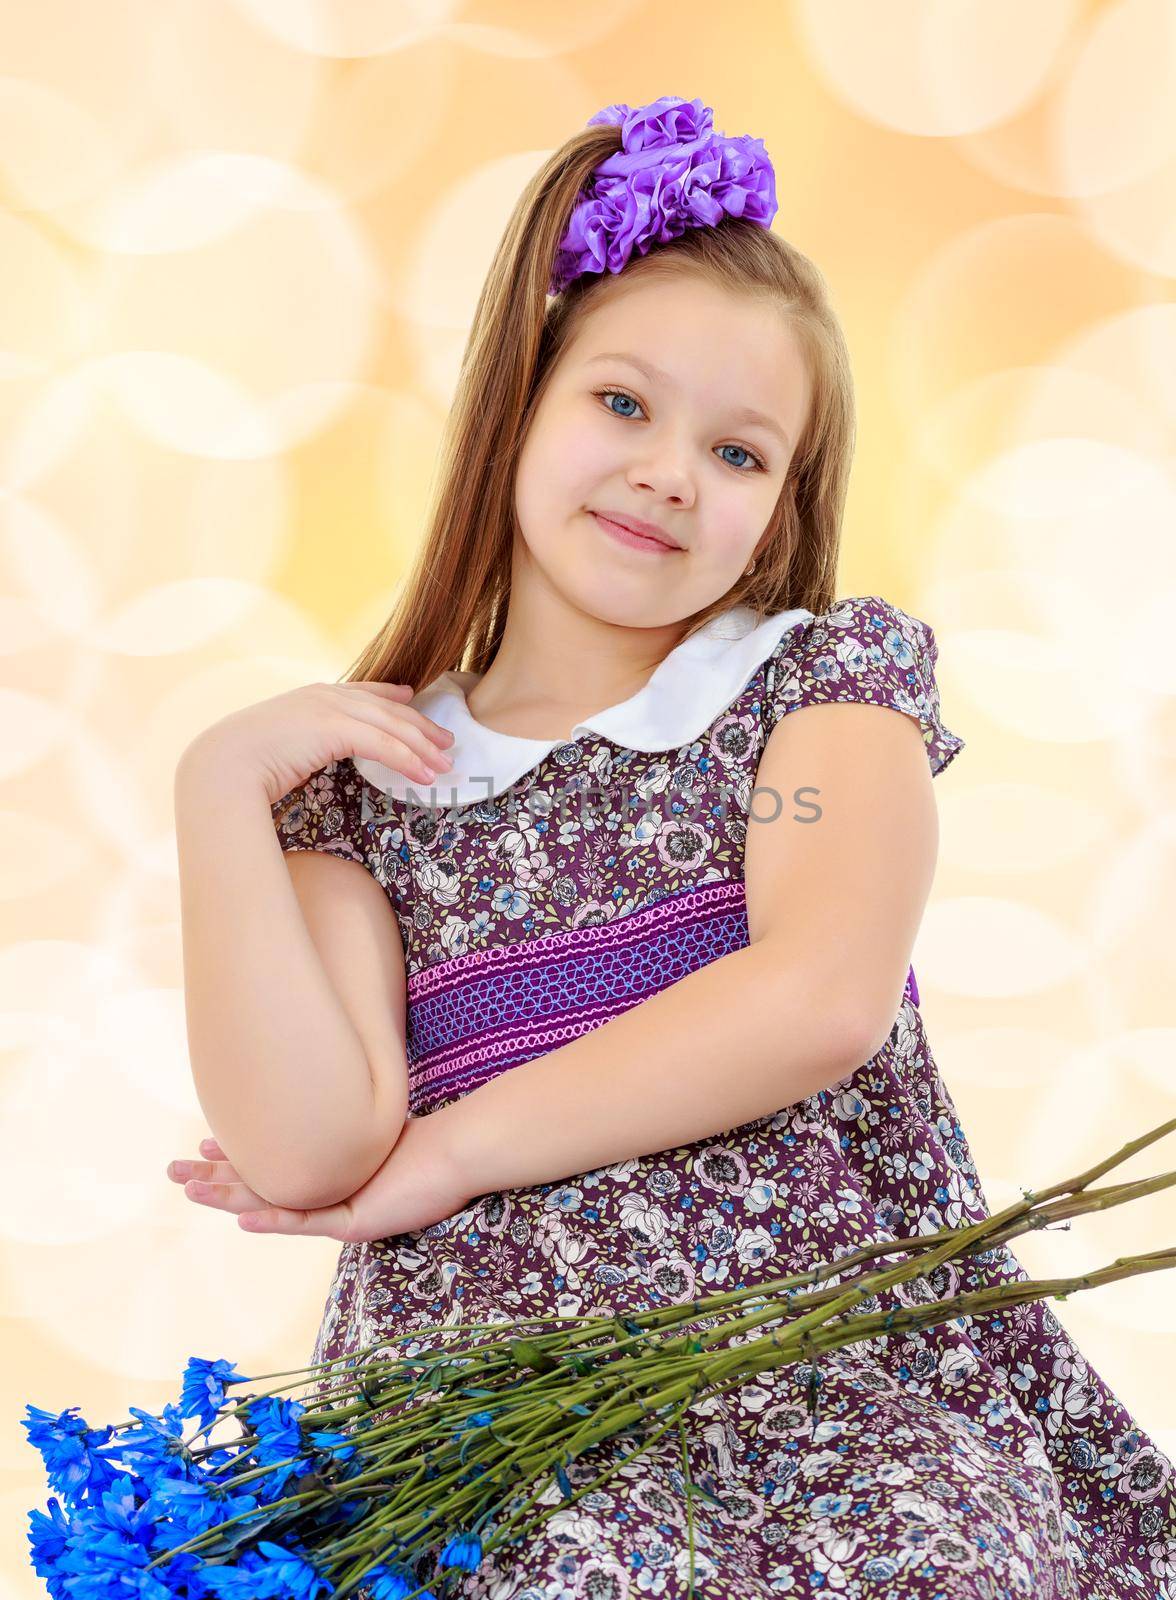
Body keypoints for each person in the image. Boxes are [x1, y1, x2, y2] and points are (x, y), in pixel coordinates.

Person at [171, 96, 1175, 1599]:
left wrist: (448, 1152)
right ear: (520, 400)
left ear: (776, 515)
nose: (668, 474)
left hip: (836, 1396)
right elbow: (311, 1147)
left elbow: (817, 998)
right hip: (501, 1435)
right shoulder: (370, 791)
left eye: (739, 451)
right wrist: (215, 791)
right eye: (623, 406)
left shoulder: (819, 700)